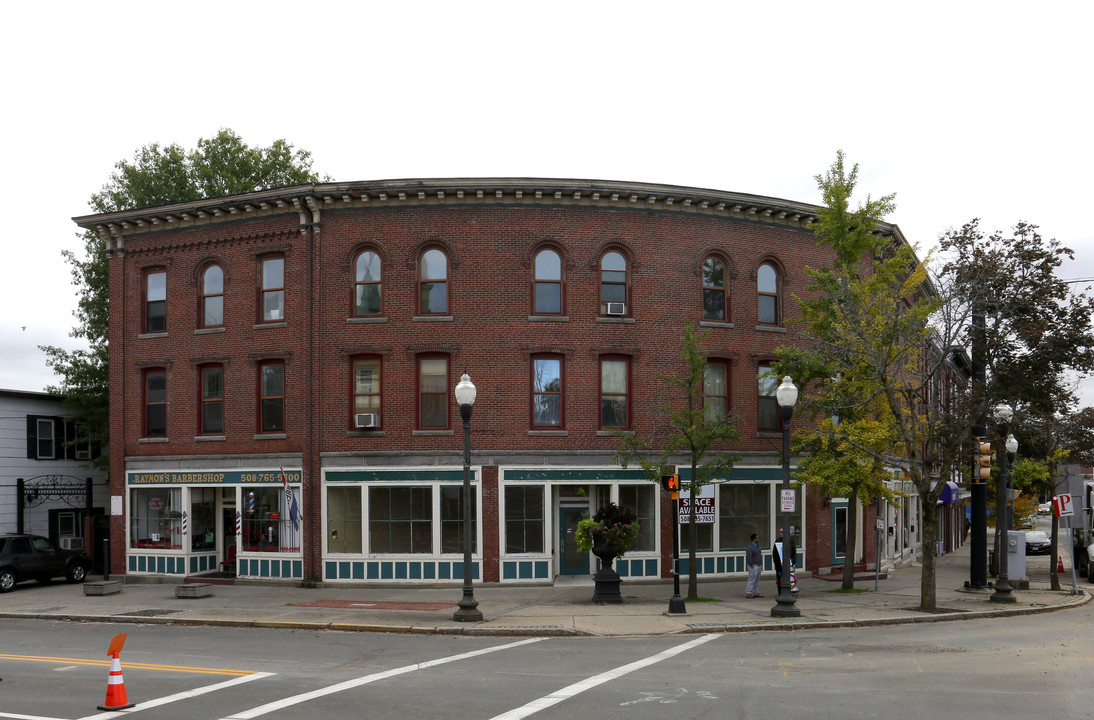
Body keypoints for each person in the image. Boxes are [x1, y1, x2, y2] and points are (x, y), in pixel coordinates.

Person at [745, 533, 764, 598]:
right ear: (754, 539)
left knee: (757, 579)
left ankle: (756, 592)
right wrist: (751, 565)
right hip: (753, 565)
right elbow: (749, 556)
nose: (758, 539)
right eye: (757, 538)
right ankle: (748, 592)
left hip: (758, 565)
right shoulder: (750, 547)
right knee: (752, 579)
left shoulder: (757, 546)